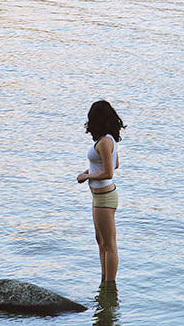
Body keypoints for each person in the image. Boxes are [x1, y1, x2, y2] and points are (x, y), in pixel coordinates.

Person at [77, 100, 124, 284]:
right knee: (101, 241)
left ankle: (109, 284)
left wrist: (86, 177)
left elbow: (109, 172)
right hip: (99, 197)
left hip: (105, 197)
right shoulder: (108, 139)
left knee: (109, 244)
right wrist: (90, 171)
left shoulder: (105, 141)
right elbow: (115, 163)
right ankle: (103, 279)